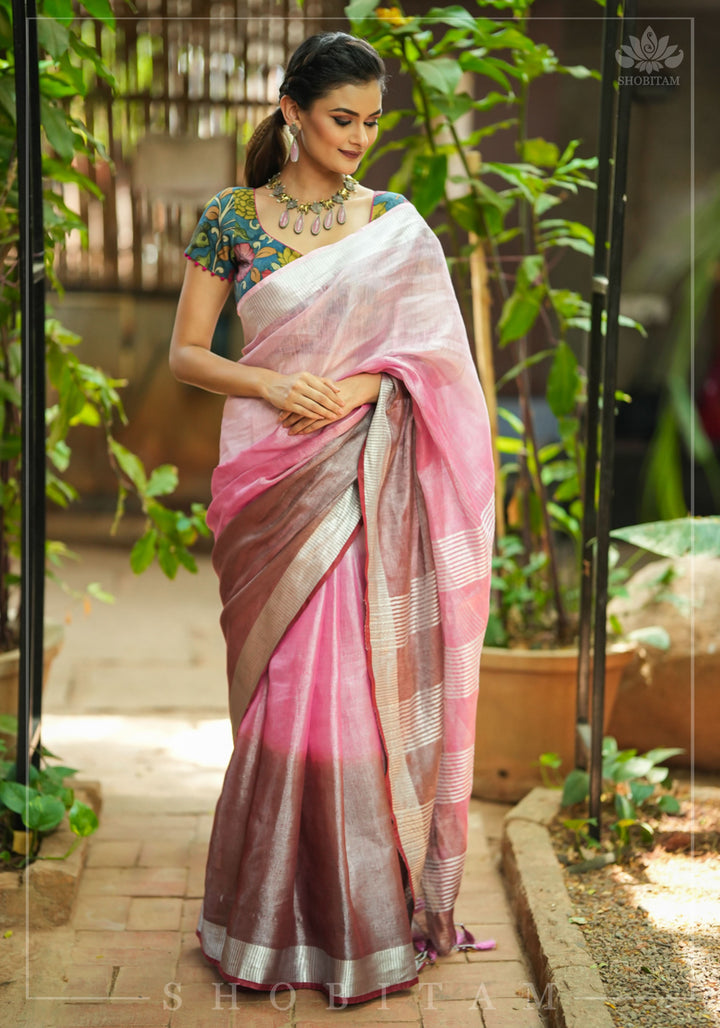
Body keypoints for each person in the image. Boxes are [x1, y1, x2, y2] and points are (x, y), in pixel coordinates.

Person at [169, 31, 495, 1006]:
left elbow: (438, 362)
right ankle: (264, 916)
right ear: (293, 112)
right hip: (269, 478)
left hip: (364, 475)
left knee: (351, 688)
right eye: (341, 119)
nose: (358, 138)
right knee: (283, 689)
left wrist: (354, 388)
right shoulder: (234, 217)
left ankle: (358, 920)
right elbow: (188, 354)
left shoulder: (392, 224)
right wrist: (273, 382)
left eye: (370, 122)